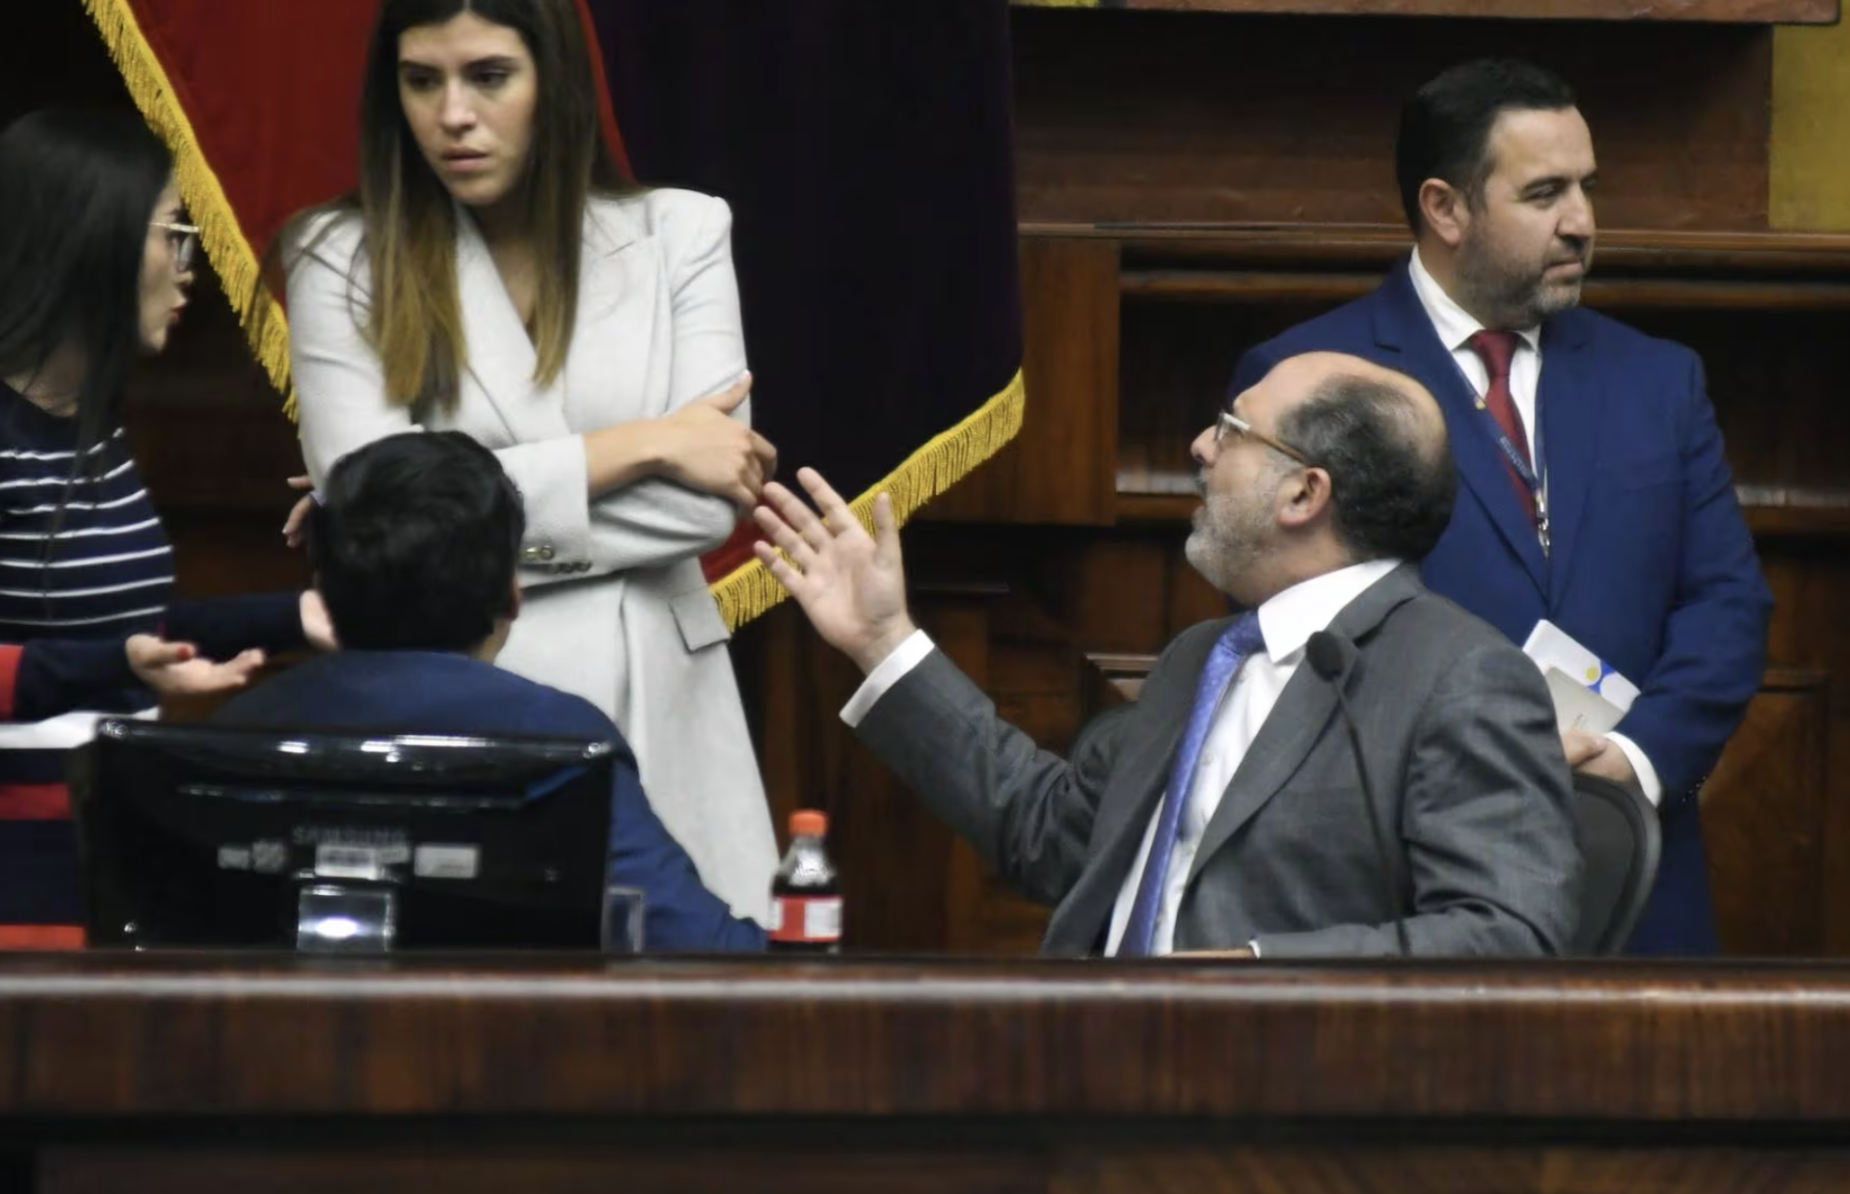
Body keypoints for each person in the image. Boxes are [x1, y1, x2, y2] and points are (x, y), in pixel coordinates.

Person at [753, 352, 1580, 958]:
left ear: (1304, 493)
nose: (1199, 447)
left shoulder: (1458, 676)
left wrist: (1251, 976)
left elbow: (1508, 932)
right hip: (1087, 1079)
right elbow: (1053, 833)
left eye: (1232, 431)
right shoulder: (1204, 657)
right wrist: (881, 640)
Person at [282, 0, 778, 922]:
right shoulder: (338, 255)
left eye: (488, 76)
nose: (452, 116)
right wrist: (639, 445)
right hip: (455, 714)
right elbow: (374, 519)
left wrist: (443, 519)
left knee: (683, 1039)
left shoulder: (679, 233)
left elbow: (701, 514)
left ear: (553, 79)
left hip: (667, 724)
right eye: (421, 82)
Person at [1228, 59, 1771, 955]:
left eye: (1588, 188)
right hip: (1406, 890)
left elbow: (1728, 604)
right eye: (1545, 193)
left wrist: (1636, 759)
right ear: (1445, 208)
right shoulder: (1305, 378)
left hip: (1637, 883)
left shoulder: (1659, 381)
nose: (1583, 223)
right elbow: (1284, 640)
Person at [0, 107, 332, 949]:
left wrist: (293, 619)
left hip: (103, 877)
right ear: (91, 243)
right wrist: (114, 663)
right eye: (172, 235)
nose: (189, 268)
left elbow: (109, 636)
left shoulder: (91, 428)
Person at [217, 430, 766, 952]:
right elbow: (695, 948)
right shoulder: (561, 745)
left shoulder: (231, 732)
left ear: (322, 594)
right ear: (511, 596)